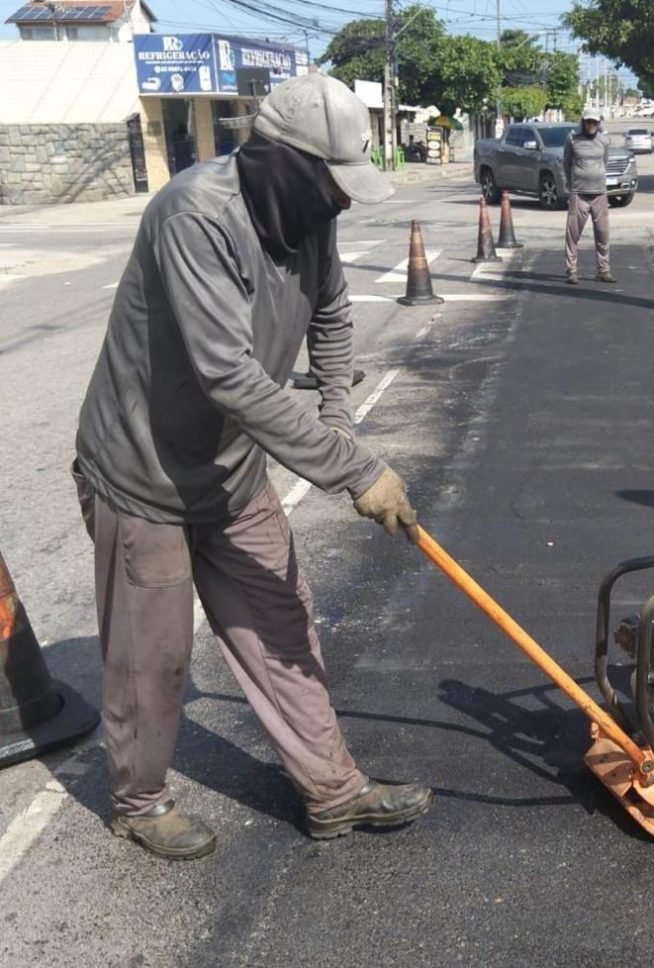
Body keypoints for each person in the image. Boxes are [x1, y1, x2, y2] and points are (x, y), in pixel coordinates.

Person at [72, 72, 432, 861]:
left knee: (282, 623)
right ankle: (139, 801)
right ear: (278, 159)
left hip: (230, 471)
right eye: (331, 185)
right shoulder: (195, 214)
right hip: (142, 475)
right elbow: (226, 374)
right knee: (152, 658)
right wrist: (353, 469)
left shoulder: (309, 217)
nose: (340, 202)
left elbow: (331, 314)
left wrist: (338, 415)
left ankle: (333, 791)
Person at [563, 108, 616, 285]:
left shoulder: (604, 140)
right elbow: (567, 163)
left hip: (599, 193)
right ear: (583, 122)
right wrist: (571, 185)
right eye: (588, 121)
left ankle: (603, 270)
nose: (591, 125)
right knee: (573, 234)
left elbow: (605, 162)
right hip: (579, 193)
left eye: (594, 122)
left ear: (599, 122)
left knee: (603, 234)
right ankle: (571, 270)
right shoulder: (572, 138)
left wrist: (595, 175)